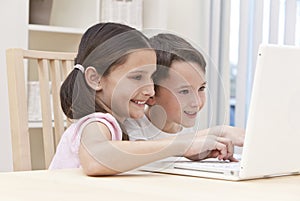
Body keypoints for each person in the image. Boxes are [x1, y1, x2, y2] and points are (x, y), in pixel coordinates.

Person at [49, 22, 239, 176]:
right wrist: (183, 145)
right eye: (137, 77)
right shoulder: (97, 122)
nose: (150, 90)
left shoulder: (120, 125)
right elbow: (95, 159)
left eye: (151, 77)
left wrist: (207, 139)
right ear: (96, 79)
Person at [124, 33, 244, 157]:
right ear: (151, 94)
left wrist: (200, 156)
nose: (196, 102)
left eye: (201, 88)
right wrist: (217, 132)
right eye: (184, 91)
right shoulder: (132, 126)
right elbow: (141, 153)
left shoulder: (184, 129)